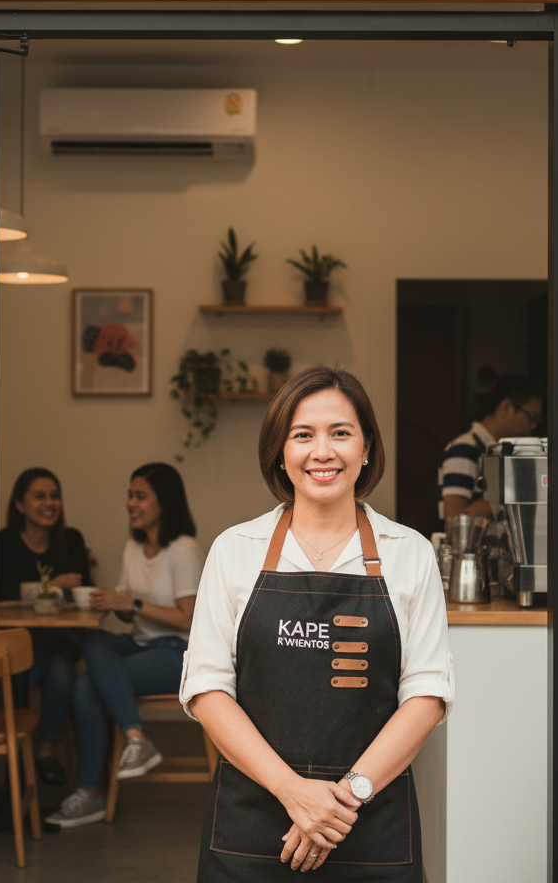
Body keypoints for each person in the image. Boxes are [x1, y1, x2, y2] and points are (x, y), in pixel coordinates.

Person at [181, 366, 453, 879]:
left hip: (370, 825)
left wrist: (341, 801)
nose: (322, 451)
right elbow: (207, 689)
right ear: (280, 453)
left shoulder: (409, 554)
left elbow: (427, 694)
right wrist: (293, 792)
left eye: (341, 433)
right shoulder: (234, 551)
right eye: (302, 435)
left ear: (367, 447)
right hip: (253, 823)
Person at [44, 462, 204, 829]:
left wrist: (128, 604)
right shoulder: (133, 548)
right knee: (95, 640)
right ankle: (134, 739)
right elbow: (127, 608)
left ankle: (91, 792)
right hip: (142, 643)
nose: (131, 503)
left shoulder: (183, 549)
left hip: (181, 653)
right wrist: (105, 601)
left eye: (140, 496)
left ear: (164, 502)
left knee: (88, 685)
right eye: (129, 495)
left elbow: (187, 618)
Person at [0, 467, 93, 787]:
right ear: (20, 505)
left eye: (55, 495)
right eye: (39, 496)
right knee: (59, 669)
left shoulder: (72, 539)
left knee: (52, 659)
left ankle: (28, 750)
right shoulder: (4, 542)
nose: (50, 502)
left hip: (60, 635)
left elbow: (83, 590)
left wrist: (45, 589)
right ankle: (36, 751)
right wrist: (50, 586)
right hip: (17, 639)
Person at [437, 373, 544, 527]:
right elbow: (454, 523)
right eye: (531, 417)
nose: (533, 426)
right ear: (506, 407)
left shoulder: (499, 452)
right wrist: (507, 499)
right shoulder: (464, 449)